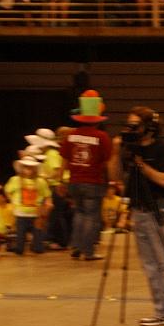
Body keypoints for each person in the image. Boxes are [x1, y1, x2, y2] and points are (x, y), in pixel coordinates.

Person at [108, 105, 164, 326]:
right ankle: (161, 310)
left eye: (135, 125)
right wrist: (115, 152)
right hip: (138, 210)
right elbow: (115, 178)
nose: (131, 129)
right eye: (129, 125)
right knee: (150, 265)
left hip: (158, 209)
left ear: (149, 127)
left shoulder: (163, 149)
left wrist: (142, 165)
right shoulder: (130, 150)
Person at [60, 90, 112, 260]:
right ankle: (88, 251)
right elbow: (108, 161)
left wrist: (60, 181)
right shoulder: (102, 137)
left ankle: (76, 246)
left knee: (79, 213)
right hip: (93, 182)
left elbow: (64, 160)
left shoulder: (71, 136)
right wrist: (112, 181)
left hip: (74, 182)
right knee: (91, 216)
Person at [4, 158, 52, 255]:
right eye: (26, 167)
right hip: (21, 213)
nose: (29, 169)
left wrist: (48, 203)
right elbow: (7, 190)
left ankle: (36, 246)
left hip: (36, 213)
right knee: (20, 235)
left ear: (35, 168)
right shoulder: (15, 180)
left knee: (38, 237)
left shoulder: (41, 181)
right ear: (21, 168)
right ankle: (19, 247)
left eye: (31, 167)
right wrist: (12, 201)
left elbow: (47, 195)